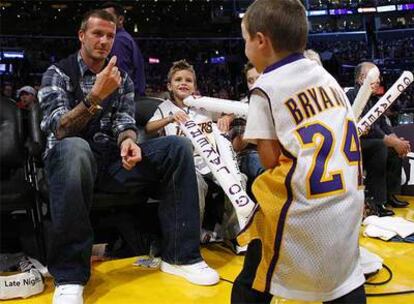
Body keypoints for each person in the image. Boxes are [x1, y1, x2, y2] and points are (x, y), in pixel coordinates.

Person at [38, 10, 218, 304]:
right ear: (81, 36)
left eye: (110, 36)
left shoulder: (121, 80)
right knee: (75, 148)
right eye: (97, 34)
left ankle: (180, 257)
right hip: (69, 164)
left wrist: (129, 143)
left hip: (110, 163)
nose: (104, 41)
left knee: (176, 147)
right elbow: (60, 129)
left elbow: (124, 123)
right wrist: (95, 97)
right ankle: (70, 275)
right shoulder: (57, 73)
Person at [232, 0, 366, 303]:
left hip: (301, 205)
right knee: (345, 282)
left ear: (260, 41)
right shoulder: (327, 79)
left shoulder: (266, 86)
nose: (244, 48)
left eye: (244, 40)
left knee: (253, 279)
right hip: (346, 200)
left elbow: (268, 161)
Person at [145, 59, 230, 243]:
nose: (183, 83)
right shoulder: (165, 107)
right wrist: (169, 119)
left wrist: (227, 118)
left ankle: (235, 235)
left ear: (194, 86)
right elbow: (149, 128)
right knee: (195, 183)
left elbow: (231, 110)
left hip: (210, 162)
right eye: (178, 80)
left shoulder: (204, 105)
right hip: (185, 164)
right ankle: (192, 236)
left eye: (188, 80)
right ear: (169, 85)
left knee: (238, 180)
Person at [346, 62, 410, 216]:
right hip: (353, 143)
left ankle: (390, 195)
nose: (379, 80)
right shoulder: (351, 96)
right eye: (375, 77)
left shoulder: (374, 100)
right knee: (379, 147)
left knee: (392, 148)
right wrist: (392, 141)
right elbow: (370, 129)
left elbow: (384, 126)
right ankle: (376, 202)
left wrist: (398, 142)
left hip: (372, 140)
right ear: (362, 78)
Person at [229, 62, 264, 192]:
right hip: (250, 154)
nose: (255, 84)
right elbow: (237, 146)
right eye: (250, 81)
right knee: (266, 167)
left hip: (277, 151)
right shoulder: (240, 108)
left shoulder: (279, 102)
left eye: (259, 78)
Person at [101, 2, 146, 96]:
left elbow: (121, 78)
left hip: (125, 100)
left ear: (120, 19)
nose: (103, 21)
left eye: (107, 17)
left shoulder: (119, 40)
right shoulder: (124, 38)